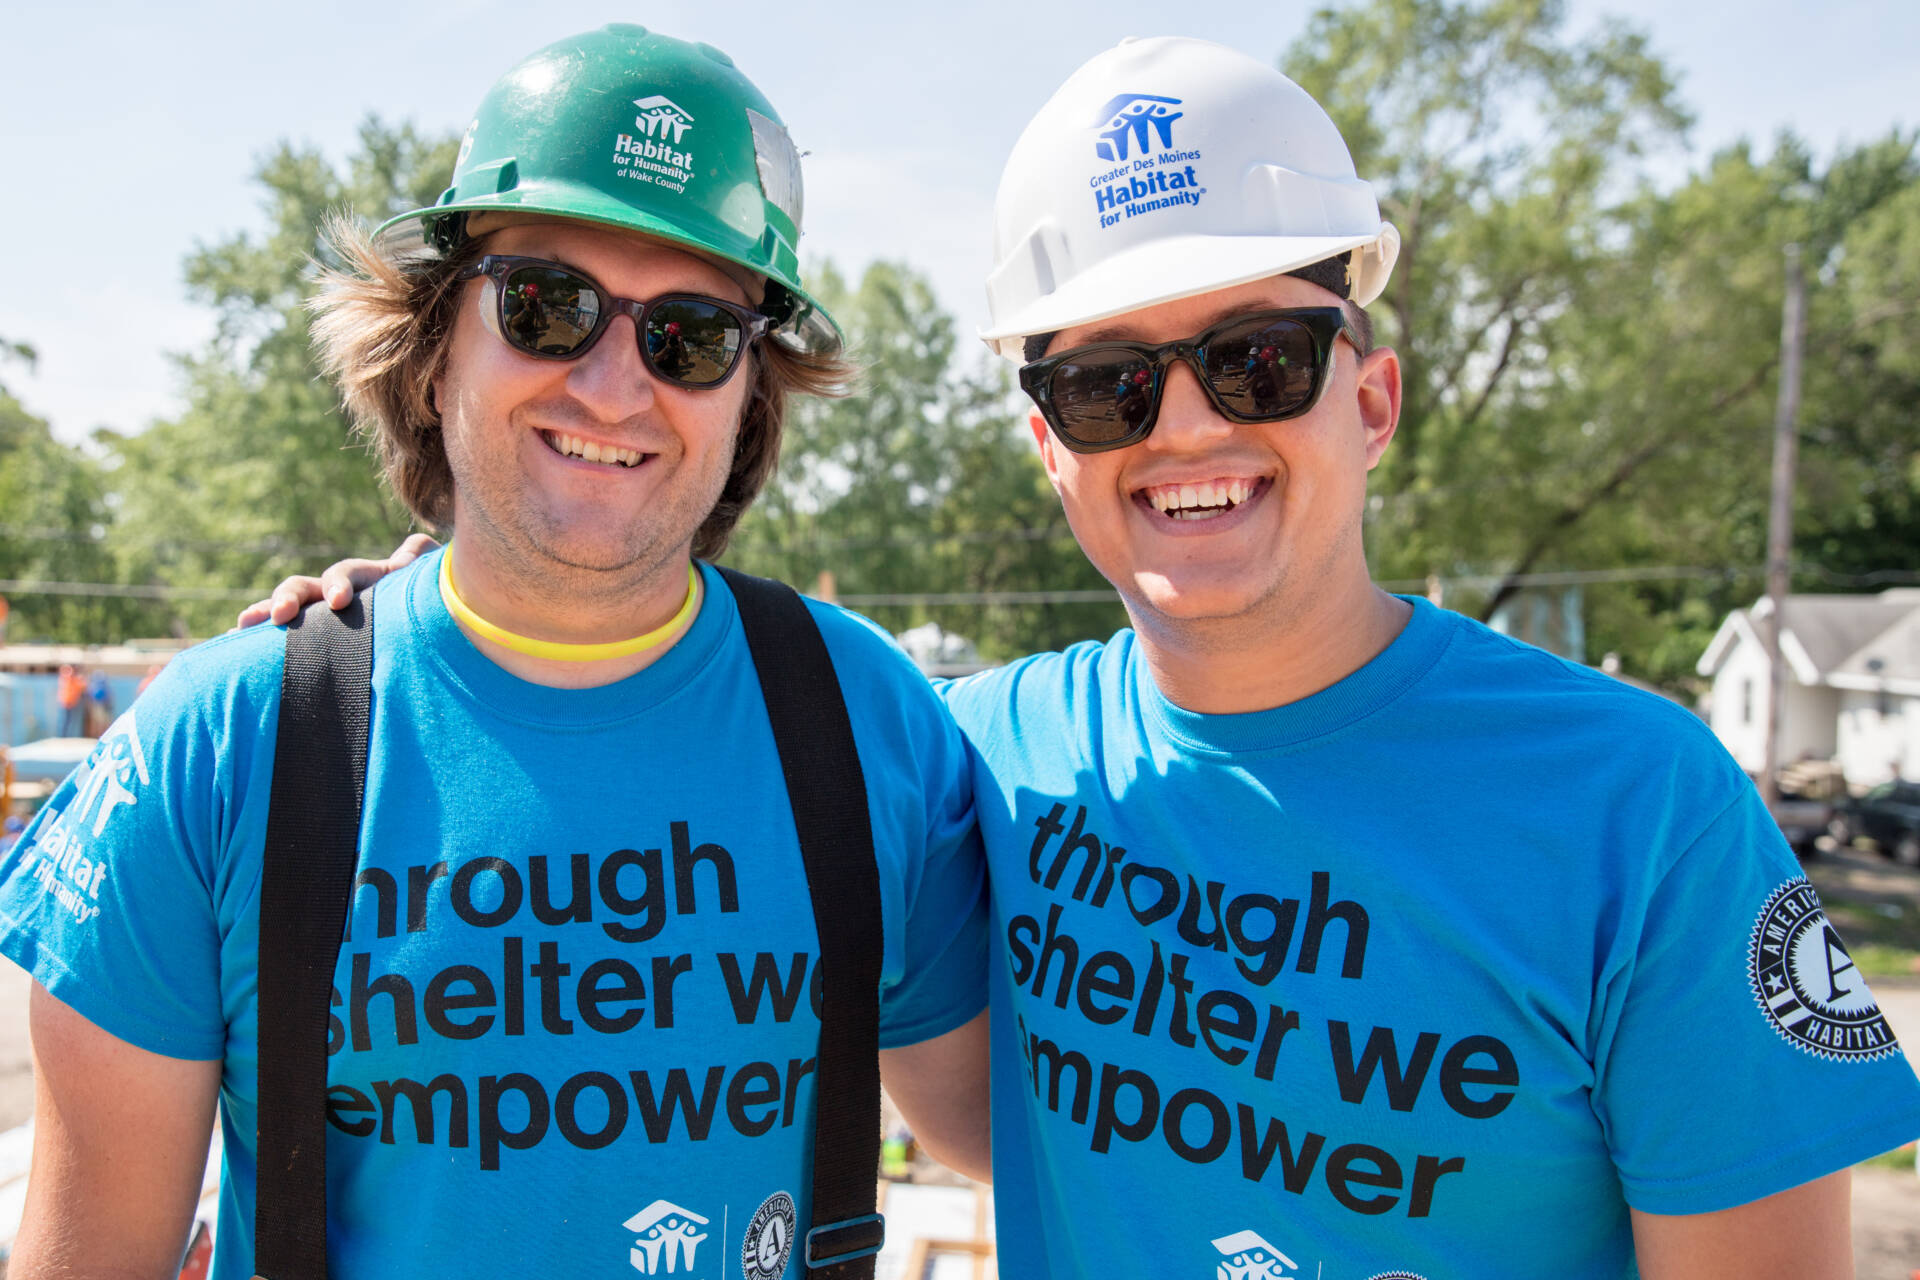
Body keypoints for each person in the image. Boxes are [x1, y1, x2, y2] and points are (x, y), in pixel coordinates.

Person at [245, 35, 1920, 1280]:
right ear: (1047, 442)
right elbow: (638, 712)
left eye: (1258, 358)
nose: (1183, 425)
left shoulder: (1639, 806)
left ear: (1376, 396)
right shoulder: (965, 760)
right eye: (1108, 383)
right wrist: (435, 592)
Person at [0, 26, 988, 1280]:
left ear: (751, 392)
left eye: (688, 334)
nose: (615, 385)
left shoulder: (867, 718)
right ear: (432, 347)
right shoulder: (226, 748)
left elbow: (1086, 1126)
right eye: (548, 305)